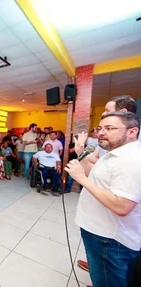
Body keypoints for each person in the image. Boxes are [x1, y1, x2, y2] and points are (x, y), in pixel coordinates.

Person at [66, 112, 141, 287]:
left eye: (109, 128)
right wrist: (80, 153)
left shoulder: (131, 161)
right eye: (100, 128)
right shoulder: (114, 154)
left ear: (132, 131)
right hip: (100, 233)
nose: (101, 132)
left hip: (109, 240)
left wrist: (81, 179)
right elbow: (95, 176)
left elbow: (122, 205)